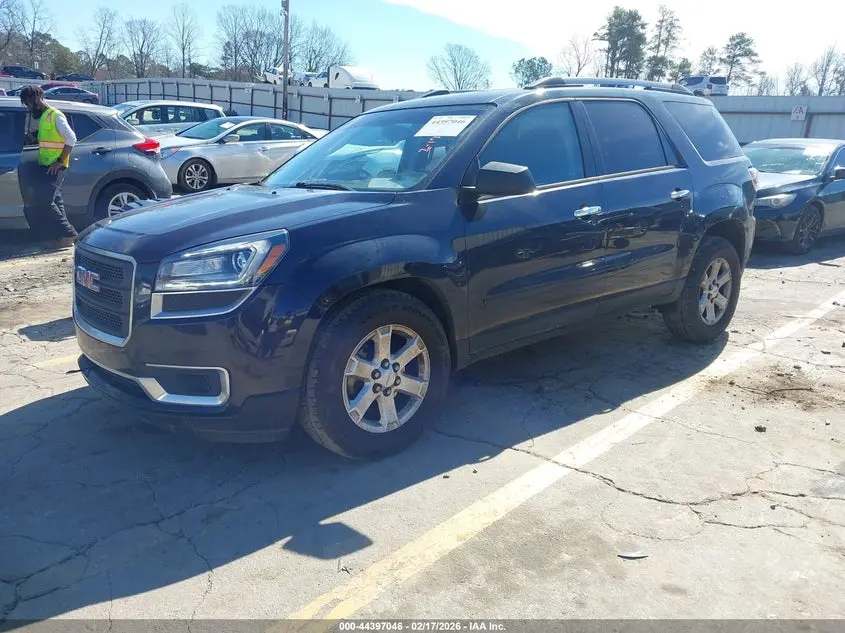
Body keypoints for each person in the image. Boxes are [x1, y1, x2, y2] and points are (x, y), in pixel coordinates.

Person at [19, 84, 77, 248]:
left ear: (36, 99)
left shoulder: (55, 115)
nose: (28, 107)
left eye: (28, 103)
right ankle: (63, 237)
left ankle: (69, 233)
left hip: (56, 166)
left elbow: (71, 138)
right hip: (46, 165)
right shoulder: (45, 116)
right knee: (56, 200)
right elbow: (50, 139)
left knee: (44, 200)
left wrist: (59, 161)